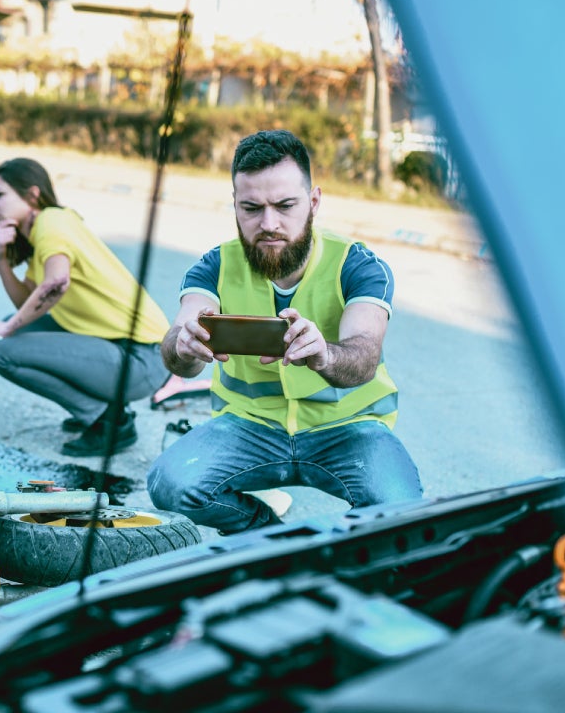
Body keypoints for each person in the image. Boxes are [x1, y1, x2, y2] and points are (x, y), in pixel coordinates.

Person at [148, 130, 422, 534]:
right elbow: (177, 352)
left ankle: (338, 557)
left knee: (398, 510)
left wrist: (325, 355)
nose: (269, 223)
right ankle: (267, 538)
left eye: (285, 206)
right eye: (251, 208)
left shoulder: (358, 265)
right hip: (249, 427)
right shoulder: (214, 266)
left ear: (314, 202)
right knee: (170, 484)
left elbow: (363, 355)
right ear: (235, 206)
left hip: (348, 430)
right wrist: (183, 346)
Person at [0, 157, 171, 456]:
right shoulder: (46, 228)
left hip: (142, 358)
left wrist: (7, 327)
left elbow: (56, 282)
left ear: (32, 194)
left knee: (5, 351)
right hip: (123, 350)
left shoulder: (51, 223)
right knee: (17, 332)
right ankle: (101, 408)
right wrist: (1, 259)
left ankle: (108, 420)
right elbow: (25, 304)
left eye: (0, 194)